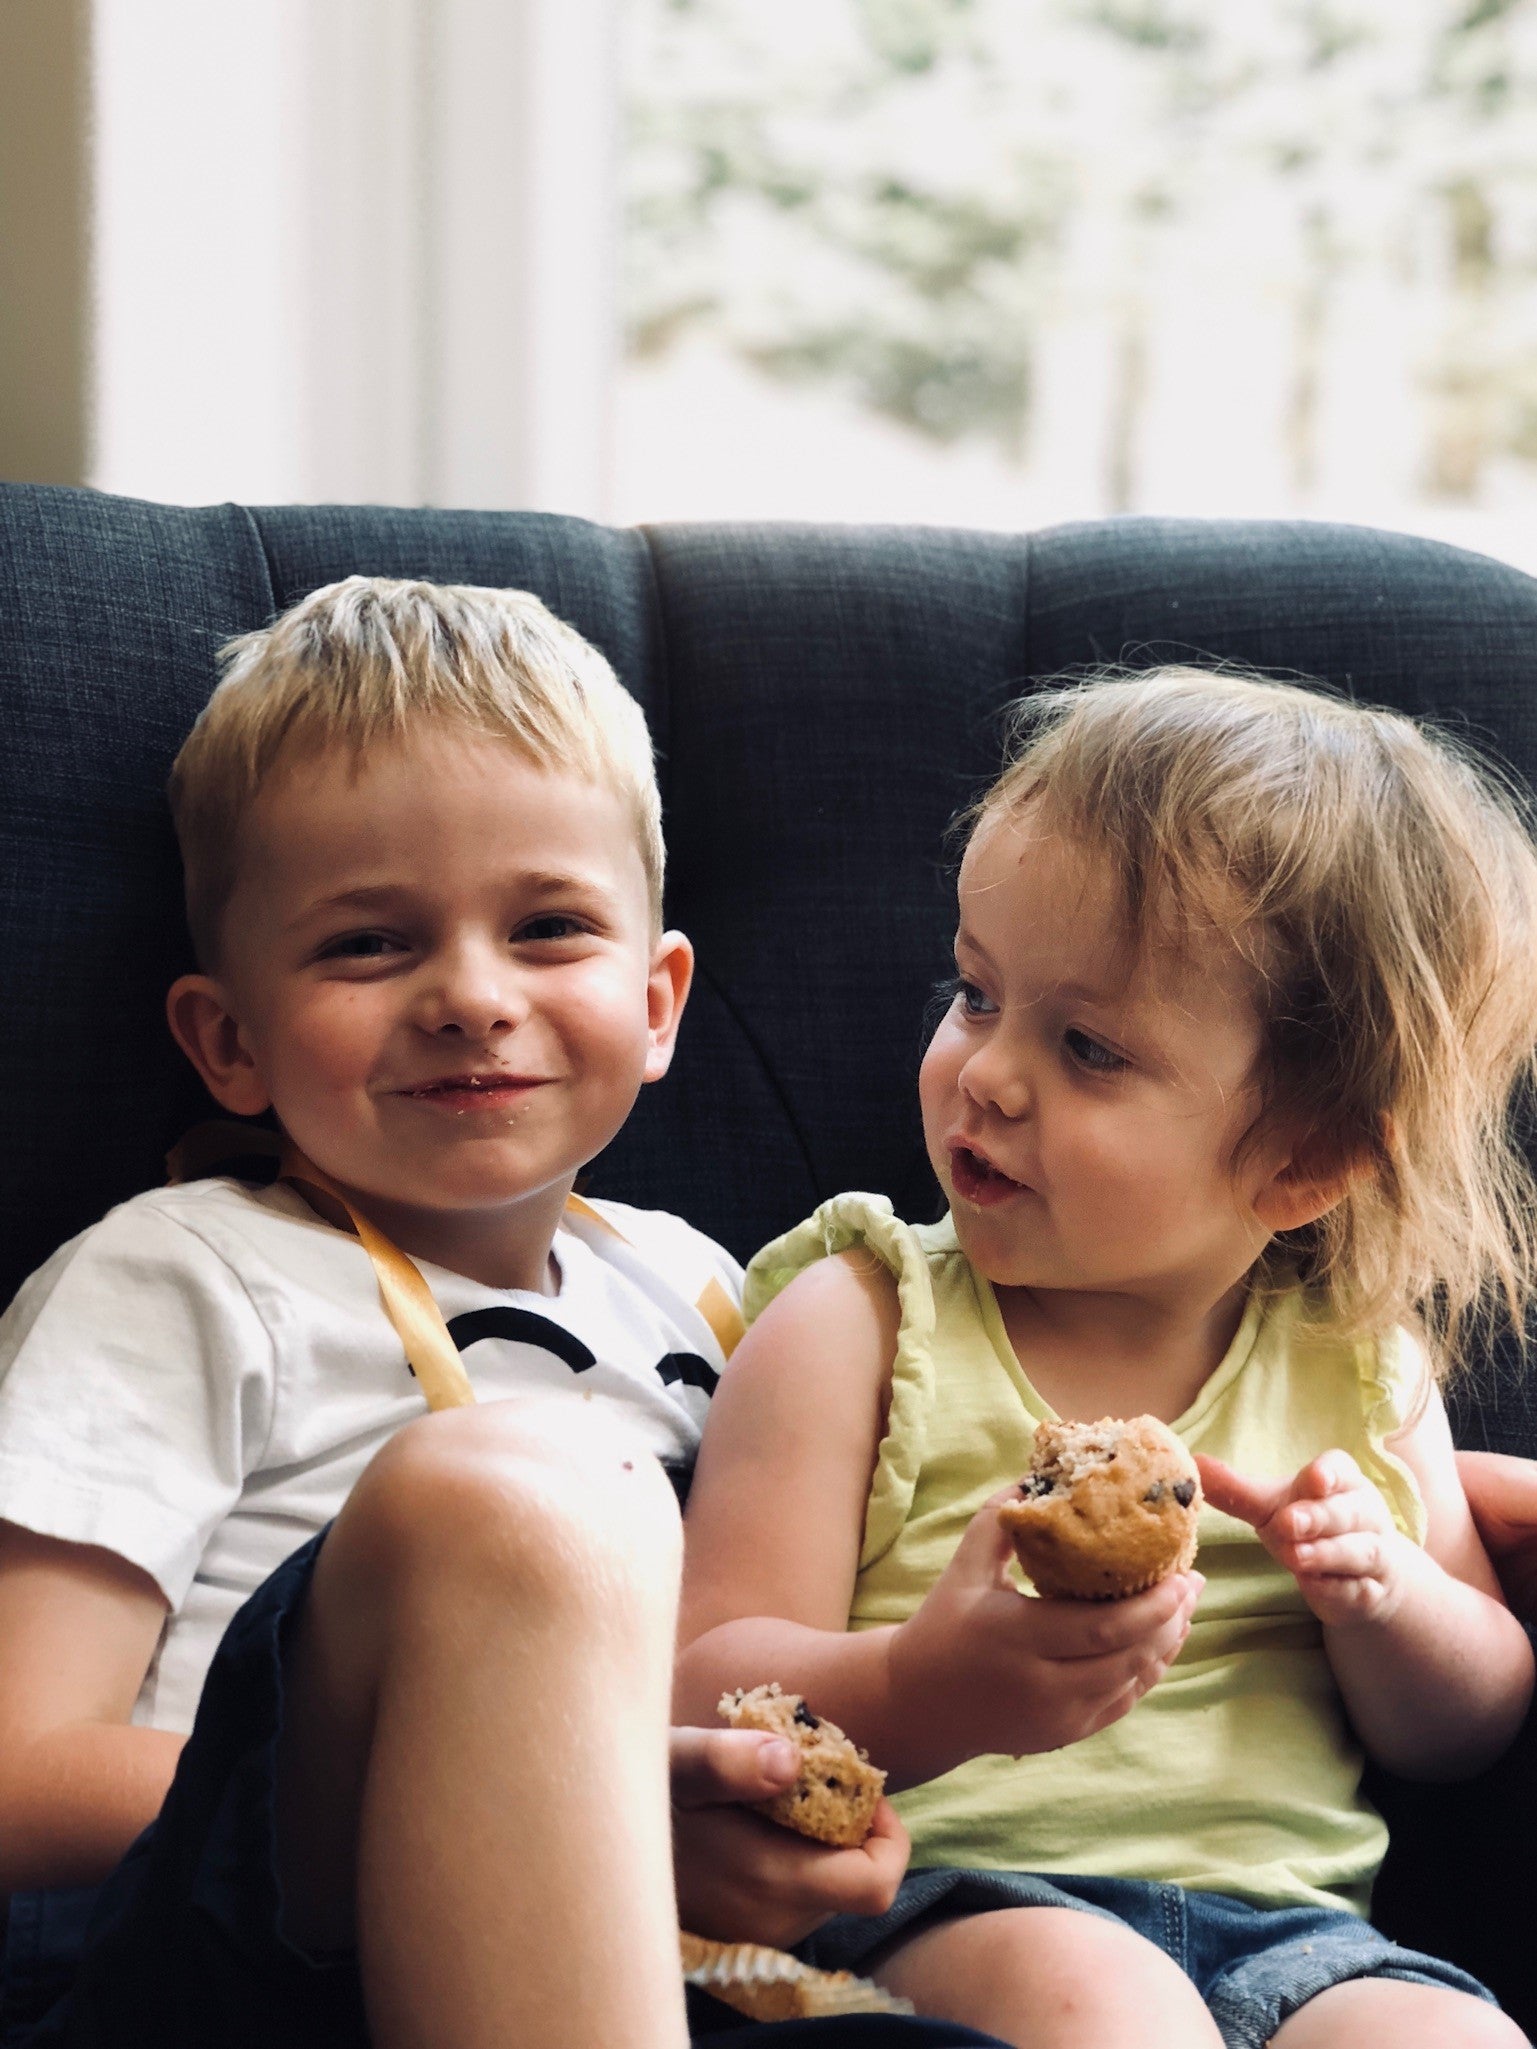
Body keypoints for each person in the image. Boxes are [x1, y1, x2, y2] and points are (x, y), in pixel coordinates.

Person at [0, 577, 984, 2049]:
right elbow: (17, 1774)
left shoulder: (722, 1288)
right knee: (527, 1480)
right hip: (237, 1962)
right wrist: (572, 1783)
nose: (468, 994)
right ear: (227, 1038)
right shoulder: (184, 1277)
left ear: (657, 1003)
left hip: (692, 1964)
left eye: (545, 926)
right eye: (367, 944)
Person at [676, 667, 1537, 2049]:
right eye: (973, 994)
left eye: (1083, 1046)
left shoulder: (1358, 1366)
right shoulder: (863, 1318)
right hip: (942, 1907)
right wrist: (923, 1683)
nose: (984, 1074)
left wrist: (1387, 1601)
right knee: (1110, 2010)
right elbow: (702, 1676)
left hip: (1306, 1932)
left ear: (1302, 1159)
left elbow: (1470, 1721)